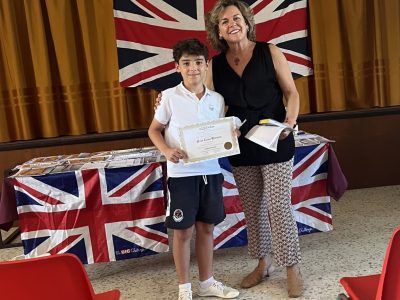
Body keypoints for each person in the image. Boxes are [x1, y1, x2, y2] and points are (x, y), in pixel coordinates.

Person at [204, 0, 304, 298]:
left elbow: (292, 93)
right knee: (253, 208)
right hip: (240, 145)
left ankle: (292, 267)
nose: (231, 24)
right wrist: (166, 102)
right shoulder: (214, 65)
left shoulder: (269, 51)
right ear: (218, 31)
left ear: (247, 22)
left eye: (236, 18)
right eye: (224, 21)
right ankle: (263, 263)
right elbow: (206, 106)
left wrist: (290, 121)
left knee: (278, 206)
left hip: (276, 138)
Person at [148, 38, 240, 300]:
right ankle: (184, 287)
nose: (193, 68)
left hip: (210, 172)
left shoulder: (217, 99)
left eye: (198, 62)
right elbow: (154, 130)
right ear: (177, 67)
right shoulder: (168, 97)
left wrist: (231, 134)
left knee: (207, 228)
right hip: (182, 175)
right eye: (186, 63)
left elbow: (221, 134)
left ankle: (207, 282)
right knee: (182, 231)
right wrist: (166, 151)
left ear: (207, 65)